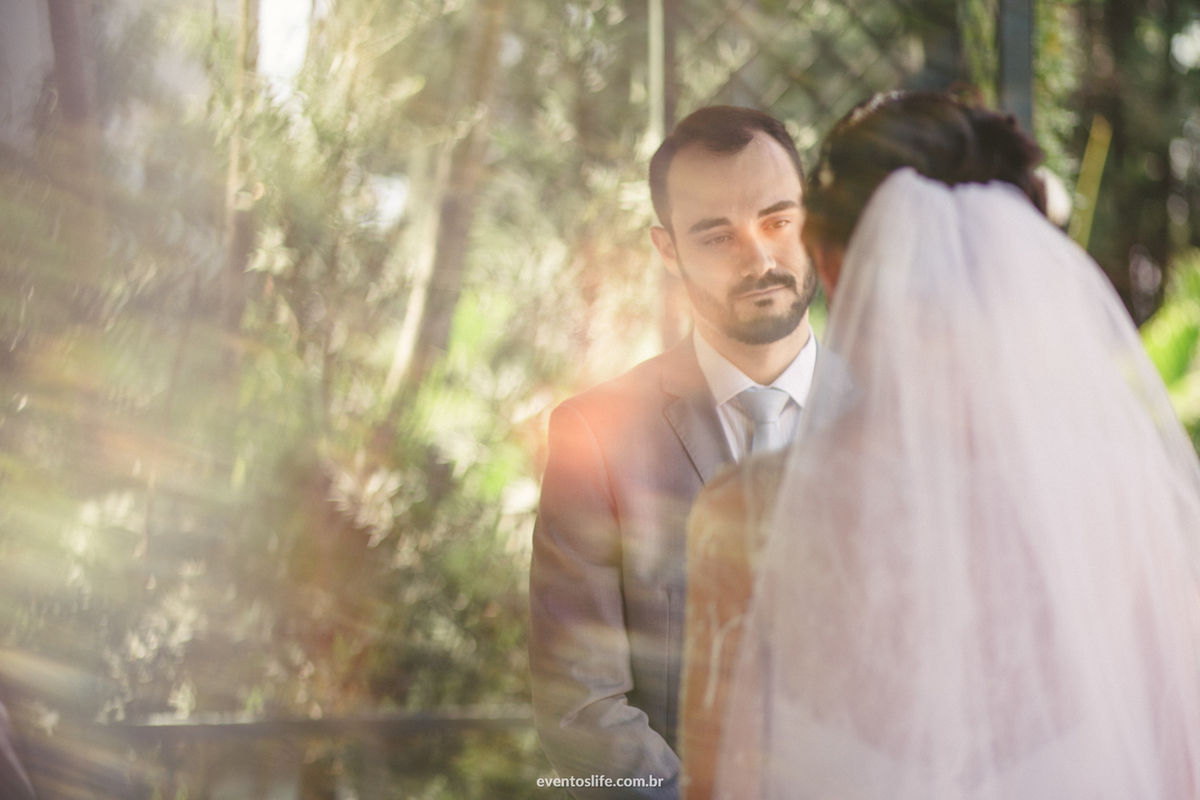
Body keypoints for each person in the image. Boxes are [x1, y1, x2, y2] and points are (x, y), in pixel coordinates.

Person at [681, 89, 1200, 800]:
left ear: (830, 268)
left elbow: (715, 789)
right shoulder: (1131, 510)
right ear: (1022, 266)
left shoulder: (746, 518)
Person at [529, 105, 820, 799]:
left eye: (779, 221)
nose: (761, 258)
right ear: (668, 251)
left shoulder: (899, 423)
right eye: (718, 236)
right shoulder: (593, 435)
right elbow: (579, 709)